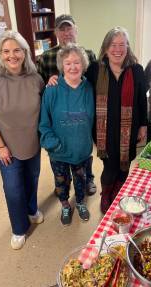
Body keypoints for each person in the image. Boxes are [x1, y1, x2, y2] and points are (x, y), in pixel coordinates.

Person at [0, 31, 45, 250]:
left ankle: (32, 209)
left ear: (24, 52)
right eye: (6, 51)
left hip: (33, 144)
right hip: (7, 149)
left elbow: (45, 108)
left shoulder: (36, 78)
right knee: (13, 188)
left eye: (16, 50)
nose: (11, 55)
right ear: (0, 54)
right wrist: (0, 147)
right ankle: (18, 227)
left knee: (32, 180)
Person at [86, 27, 147, 214]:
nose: (118, 49)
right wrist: (55, 78)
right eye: (113, 45)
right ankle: (106, 195)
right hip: (104, 130)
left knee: (125, 163)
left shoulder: (136, 70)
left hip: (129, 129)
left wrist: (143, 124)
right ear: (105, 48)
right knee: (110, 165)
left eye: (122, 45)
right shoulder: (95, 69)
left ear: (127, 48)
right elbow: (75, 81)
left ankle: (118, 193)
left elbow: (141, 99)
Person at [37, 14, 97, 196]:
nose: (66, 33)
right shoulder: (46, 57)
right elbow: (40, 87)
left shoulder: (89, 54)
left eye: (69, 28)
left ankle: (88, 179)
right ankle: (64, 187)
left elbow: (93, 83)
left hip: (82, 115)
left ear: (75, 30)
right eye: (61, 29)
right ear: (56, 33)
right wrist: (50, 81)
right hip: (58, 114)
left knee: (83, 157)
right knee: (62, 172)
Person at [39, 44, 94, 225]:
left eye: (77, 62)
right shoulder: (52, 89)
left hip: (81, 150)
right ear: (62, 66)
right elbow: (44, 123)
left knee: (81, 181)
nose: (72, 67)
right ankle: (64, 205)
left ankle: (79, 203)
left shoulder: (88, 88)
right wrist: (54, 144)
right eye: (68, 63)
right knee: (61, 182)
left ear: (83, 64)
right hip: (59, 151)